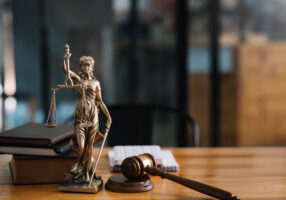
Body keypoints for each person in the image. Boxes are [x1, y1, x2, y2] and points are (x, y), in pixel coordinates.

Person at [61, 55, 112, 183]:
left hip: (93, 114)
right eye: (84, 65)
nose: (86, 67)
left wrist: (108, 116)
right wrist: (65, 58)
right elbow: (66, 71)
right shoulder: (78, 79)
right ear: (81, 67)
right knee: (81, 146)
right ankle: (78, 167)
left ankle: (87, 173)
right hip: (81, 115)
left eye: (88, 65)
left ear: (92, 67)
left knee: (90, 147)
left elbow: (100, 101)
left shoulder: (96, 83)